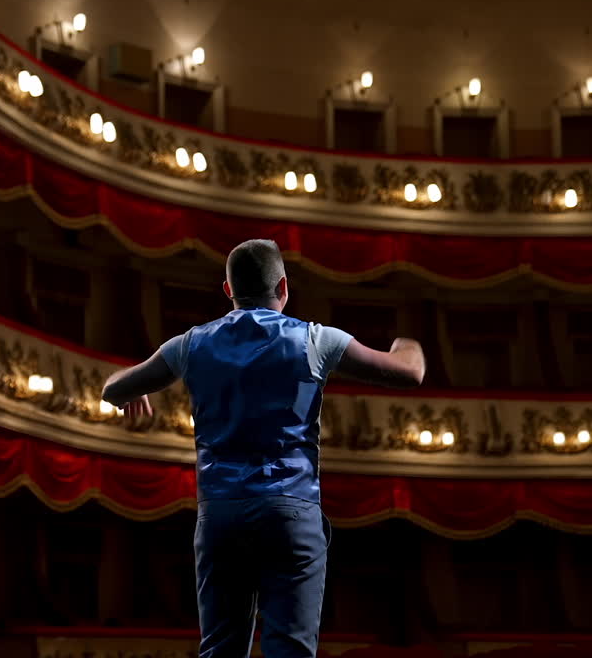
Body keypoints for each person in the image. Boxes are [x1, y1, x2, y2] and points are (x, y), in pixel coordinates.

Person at [101, 239, 425, 658]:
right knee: (289, 650)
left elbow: (114, 389)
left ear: (228, 291)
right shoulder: (316, 340)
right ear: (284, 287)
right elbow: (409, 373)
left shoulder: (190, 344)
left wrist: (129, 388)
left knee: (220, 650)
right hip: (291, 512)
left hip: (220, 513)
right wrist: (407, 345)